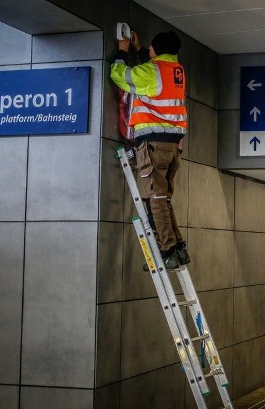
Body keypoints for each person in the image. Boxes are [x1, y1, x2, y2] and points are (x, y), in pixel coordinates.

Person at [110, 30, 190, 269]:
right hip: (172, 146)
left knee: (155, 199)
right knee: (163, 199)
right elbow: (156, 70)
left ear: (155, 50)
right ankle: (177, 248)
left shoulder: (151, 72)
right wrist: (139, 49)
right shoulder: (177, 71)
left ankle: (166, 249)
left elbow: (120, 75)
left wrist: (122, 51)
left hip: (154, 145)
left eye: (150, 49)